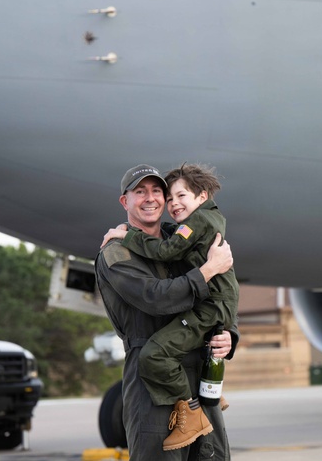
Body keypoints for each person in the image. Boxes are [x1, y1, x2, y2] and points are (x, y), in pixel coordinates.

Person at [95, 164, 237, 460]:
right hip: (152, 385)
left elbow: (221, 288)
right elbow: (156, 299)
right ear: (125, 201)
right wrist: (208, 270)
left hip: (199, 380)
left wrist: (227, 334)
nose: (152, 198)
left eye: (157, 191)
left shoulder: (183, 238)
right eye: (140, 191)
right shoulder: (116, 253)